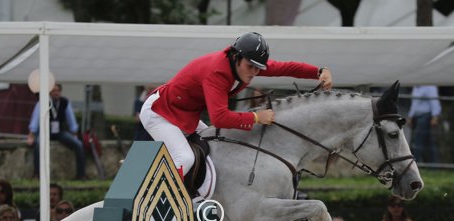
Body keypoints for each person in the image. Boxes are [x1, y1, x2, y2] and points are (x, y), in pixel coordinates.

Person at [139, 32, 332, 189]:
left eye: (258, 68)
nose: (254, 73)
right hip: (160, 112)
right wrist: (256, 117)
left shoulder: (245, 63)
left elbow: (285, 68)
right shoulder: (217, 72)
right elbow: (219, 118)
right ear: (235, 57)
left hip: (184, 113)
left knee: (215, 143)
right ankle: (153, 198)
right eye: (250, 67)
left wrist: (318, 71)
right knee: (185, 158)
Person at [26, 83, 87, 180]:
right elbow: (35, 120)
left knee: (78, 145)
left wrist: (74, 134)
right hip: (45, 131)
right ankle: (37, 174)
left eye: (58, 90)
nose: (56, 93)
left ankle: (81, 175)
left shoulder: (64, 102)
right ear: (50, 92)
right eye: (54, 91)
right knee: (38, 144)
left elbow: (71, 120)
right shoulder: (42, 102)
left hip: (59, 132)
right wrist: (31, 135)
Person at [407, 85, 441, 164]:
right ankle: (433, 164)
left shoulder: (430, 86)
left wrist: (435, 116)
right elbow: (414, 103)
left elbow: (434, 102)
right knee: (428, 142)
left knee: (418, 141)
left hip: (425, 116)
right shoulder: (416, 87)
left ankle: (416, 163)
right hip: (416, 117)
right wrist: (410, 116)